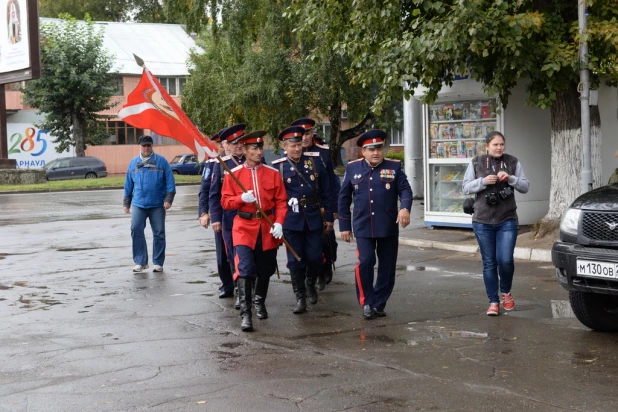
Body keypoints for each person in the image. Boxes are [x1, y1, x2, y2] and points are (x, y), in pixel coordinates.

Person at [339, 130, 413, 319]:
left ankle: (379, 303)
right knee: (365, 261)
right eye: (371, 149)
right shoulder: (353, 168)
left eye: (379, 148)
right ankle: (367, 301)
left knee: (387, 267)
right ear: (363, 151)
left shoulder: (394, 167)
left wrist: (405, 208)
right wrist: (345, 226)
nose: (375, 153)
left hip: (387, 224)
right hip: (363, 225)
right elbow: (344, 197)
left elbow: (405, 190)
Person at [221, 131, 288, 332]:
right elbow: (225, 202)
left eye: (260, 148)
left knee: (265, 269)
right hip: (243, 228)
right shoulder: (233, 174)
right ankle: (246, 314)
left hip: (267, 227)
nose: (259, 152)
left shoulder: (273, 173)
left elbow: (281, 202)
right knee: (245, 269)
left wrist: (280, 223)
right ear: (245, 150)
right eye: (254, 148)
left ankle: (259, 301)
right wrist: (241, 199)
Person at [462, 131, 529, 316]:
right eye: (495, 145)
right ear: (487, 146)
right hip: (482, 220)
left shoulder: (512, 162)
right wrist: (483, 182)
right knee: (489, 263)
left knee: (505, 260)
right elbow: (465, 186)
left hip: (507, 218)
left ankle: (506, 291)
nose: (499, 148)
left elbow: (525, 186)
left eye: (501, 144)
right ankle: (493, 301)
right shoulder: (476, 162)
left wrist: (511, 178)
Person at [273, 126, 333, 313]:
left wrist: (329, 216)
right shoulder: (279, 167)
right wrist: (277, 221)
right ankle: (300, 297)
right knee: (295, 260)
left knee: (315, 257)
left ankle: (310, 283)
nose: (297, 149)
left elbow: (326, 191)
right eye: (292, 146)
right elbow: (274, 197)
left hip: (313, 217)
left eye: (299, 145)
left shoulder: (314, 162)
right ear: (285, 146)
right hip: (291, 220)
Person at [290, 118, 340, 291]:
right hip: (303, 209)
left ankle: (326, 268)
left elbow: (331, 183)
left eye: (308, 133)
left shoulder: (323, 153)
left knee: (328, 241)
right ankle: (310, 276)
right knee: (309, 246)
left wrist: (333, 208)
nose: (304, 138)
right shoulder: (289, 157)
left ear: (313, 134)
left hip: (321, 206)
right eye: (301, 135)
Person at [123, 135, 176, 273]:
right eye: (144, 145)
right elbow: (128, 184)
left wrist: (168, 199)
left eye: (149, 145)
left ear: (152, 146)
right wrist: (126, 203)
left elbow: (170, 181)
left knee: (159, 232)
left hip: (157, 204)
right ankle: (141, 262)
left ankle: (158, 262)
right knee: (136, 229)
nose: (146, 148)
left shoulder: (162, 162)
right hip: (138, 203)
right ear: (139, 146)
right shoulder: (133, 163)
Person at [209, 124, 248, 308]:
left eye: (241, 141)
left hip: (253, 217)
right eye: (234, 143)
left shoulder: (253, 160)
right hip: (230, 219)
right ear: (228, 145)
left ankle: (251, 286)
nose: (239, 145)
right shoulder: (221, 164)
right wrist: (215, 217)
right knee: (234, 256)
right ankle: (240, 291)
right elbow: (213, 194)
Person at [198, 132, 235, 298]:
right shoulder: (213, 163)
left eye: (222, 144)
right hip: (221, 213)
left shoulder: (246, 161)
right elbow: (206, 191)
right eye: (219, 145)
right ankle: (227, 284)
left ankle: (245, 282)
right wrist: (204, 212)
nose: (221, 148)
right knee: (223, 254)